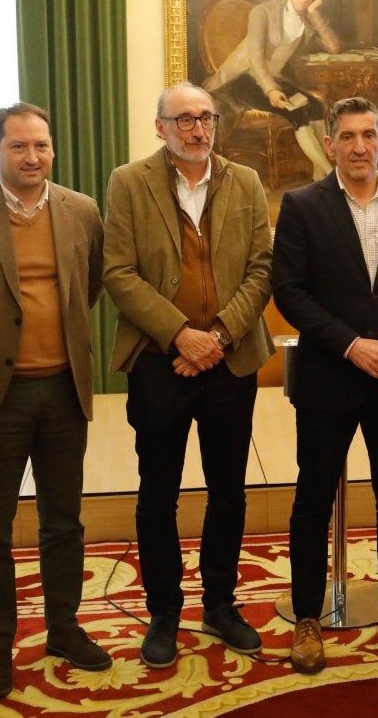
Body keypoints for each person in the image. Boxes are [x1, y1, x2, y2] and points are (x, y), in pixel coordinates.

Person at [103, 82, 275, 670]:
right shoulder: (129, 183)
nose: (198, 129)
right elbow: (119, 273)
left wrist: (219, 336)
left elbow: (262, 268)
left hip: (230, 361)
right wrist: (180, 334)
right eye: (184, 120)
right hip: (160, 364)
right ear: (160, 127)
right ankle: (163, 612)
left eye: (206, 118)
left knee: (228, 491)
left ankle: (220, 604)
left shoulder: (245, 182)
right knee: (159, 494)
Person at [0, 104, 108, 699]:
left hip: (64, 390)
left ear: (53, 150)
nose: (32, 157)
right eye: (18, 146)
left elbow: (88, 287)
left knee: (63, 521)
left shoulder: (82, 210)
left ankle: (64, 629)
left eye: (41, 145)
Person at [272, 96, 378, 674]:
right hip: (327, 379)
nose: (359, 146)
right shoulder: (301, 205)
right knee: (311, 501)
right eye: (347, 136)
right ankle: (308, 618)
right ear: (330, 143)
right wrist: (350, 344)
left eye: (369, 134)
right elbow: (289, 291)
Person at [201, 0, 342, 181]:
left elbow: (334, 47)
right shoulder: (262, 12)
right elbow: (255, 58)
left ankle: (319, 175)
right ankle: (332, 177)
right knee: (297, 112)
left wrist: (314, 12)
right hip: (241, 79)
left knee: (315, 107)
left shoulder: (306, 20)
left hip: (271, 78)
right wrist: (271, 90)